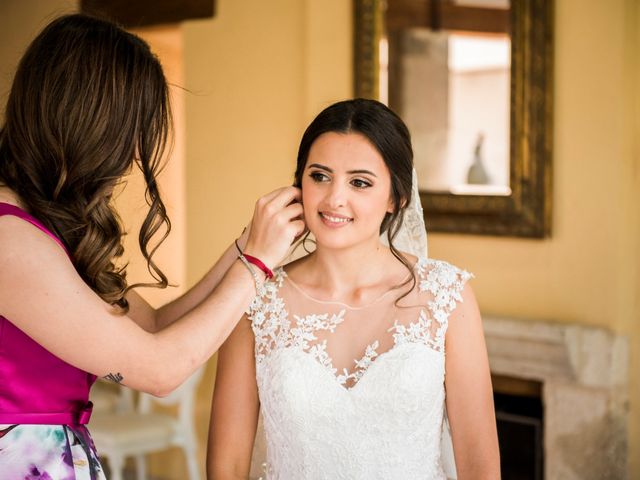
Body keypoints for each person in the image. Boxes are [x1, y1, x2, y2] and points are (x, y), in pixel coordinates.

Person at [0, 14, 304, 479]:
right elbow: (159, 371)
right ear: (90, 125)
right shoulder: (9, 238)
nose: (131, 157)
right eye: (130, 134)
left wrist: (246, 246)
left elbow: (157, 325)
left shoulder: (43, 225)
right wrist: (257, 265)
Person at [208, 99, 500, 479]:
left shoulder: (447, 296)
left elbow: (480, 466)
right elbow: (225, 467)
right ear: (299, 186)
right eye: (319, 176)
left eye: (359, 182)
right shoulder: (256, 300)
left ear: (397, 197)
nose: (334, 199)